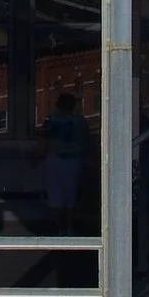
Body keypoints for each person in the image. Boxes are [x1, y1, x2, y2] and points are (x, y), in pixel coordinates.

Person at [41, 93, 86, 225]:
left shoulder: (51, 120)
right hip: (74, 161)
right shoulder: (81, 121)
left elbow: (44, 141)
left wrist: (37, 157)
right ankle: (69, 228)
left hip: (55, 160)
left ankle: (59, 229)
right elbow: (87, 142)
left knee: (56, 197)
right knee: (71, 196)